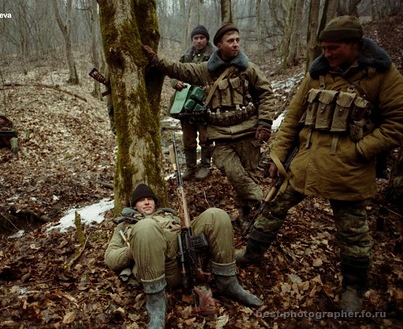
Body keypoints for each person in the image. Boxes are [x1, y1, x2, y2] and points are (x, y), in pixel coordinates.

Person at [234, 16, 403, 313]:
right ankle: (251, 253)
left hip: (348, 169)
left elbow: (397, 123)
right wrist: (277, 157)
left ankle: (353, 287)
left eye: (334, 48)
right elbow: (292, 119)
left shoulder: (382, 76)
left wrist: (361, 150)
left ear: (355, 45)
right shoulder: (317, 74)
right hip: (306, 162)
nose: (327, 54)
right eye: (324, 48)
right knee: (273, 206)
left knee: (352, 232)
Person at [143, 23, 276, 225]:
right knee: (235, 173)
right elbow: (180, 69)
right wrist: (155, 60)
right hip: (221, 137)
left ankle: (246, 216)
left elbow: (266, 93)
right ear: (219, 45)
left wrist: (265, 122)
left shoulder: (248, 68)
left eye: (238, 40)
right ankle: (264, 206)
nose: (236, 45)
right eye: (230, 41)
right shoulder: (206, 71)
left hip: (249, 134)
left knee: (248, 176)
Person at [104, 183, 263, 328]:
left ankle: (227, 282)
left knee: (217, 215)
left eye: (149, 199)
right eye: (141, 200)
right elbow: (110, 257)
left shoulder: (169, 216)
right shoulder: (125, 225)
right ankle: (156, 304)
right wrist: (131, 252)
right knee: (146, 227)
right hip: (160, 269)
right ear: (134, 206)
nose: (146, 202)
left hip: (187, 260)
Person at [171, 25, 217, 180]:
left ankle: (205, 166)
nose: (199, 41)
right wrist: (175, 83)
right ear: (192, 40)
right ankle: (190, 167)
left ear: (206, 39)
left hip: (205, 101)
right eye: (196, 38)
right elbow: (174, 72)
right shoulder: (186, 56)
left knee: (205, 136)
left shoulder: (214, 55)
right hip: (186, 102)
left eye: (201, 38)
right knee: (188, 138)